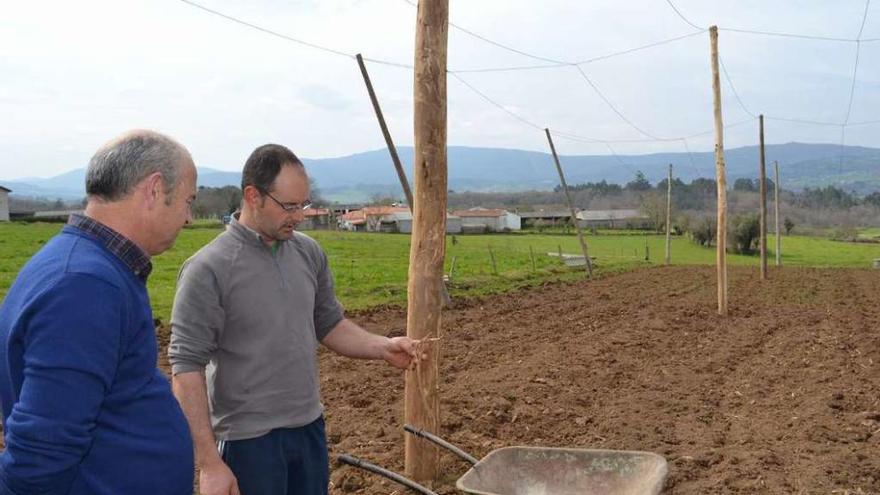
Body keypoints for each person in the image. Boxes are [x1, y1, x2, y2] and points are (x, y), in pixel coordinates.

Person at [169, 144, 417, 495]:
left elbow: (329, 324)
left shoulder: (308, 252)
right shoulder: (208, 269)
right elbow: (185, 369)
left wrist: (383, 346)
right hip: (248, 441)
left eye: (303, 204)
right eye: (289, 206)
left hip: (308, 428)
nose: (299, 216)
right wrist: (209, 463)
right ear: (253, 196)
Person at [0, 130, 198, 494]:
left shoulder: (89, 266)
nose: (188, 217)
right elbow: (41, 453)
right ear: (154, 190)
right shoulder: (85, 286)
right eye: (188, 201)